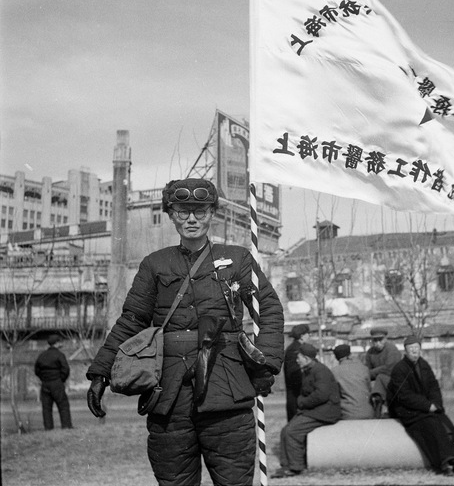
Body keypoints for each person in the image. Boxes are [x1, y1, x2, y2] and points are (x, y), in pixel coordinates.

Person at [86, 178, 284, 486]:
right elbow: (132, 321)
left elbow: (268, 309)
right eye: (182, 211)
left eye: (200, 211)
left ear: (212, 213)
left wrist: (266, 362)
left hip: (227, 392)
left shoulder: (238, 259)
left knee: (235, 481)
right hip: (169, 397)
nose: (192, 219)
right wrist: (101, 372)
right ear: (171, 215)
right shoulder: (154, 264)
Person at [387, 335, 454, 475]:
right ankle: (443, 464)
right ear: (405, 351)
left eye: (417, 348)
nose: (414, 351)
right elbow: (404, 396)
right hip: (408, 411)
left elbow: (433, 386)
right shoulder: (399, 369)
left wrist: (436, 404)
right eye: (411, 349)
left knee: (445, 423)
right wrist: (427, 406)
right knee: (431, 425)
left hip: (425, 408)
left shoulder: (424, 365)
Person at [273, 343, 341, 479]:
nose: (297, 360)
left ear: (307, 358)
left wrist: (302, 402)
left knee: (292, 431)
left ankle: (295, 467)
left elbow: (322, 395)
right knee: (285, 430)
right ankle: (286, 465)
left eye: (299, 358)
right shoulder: (310, 370)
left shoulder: (320, 371)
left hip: (325, 411)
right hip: (317, 410)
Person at [34, 334, 73, 430]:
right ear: (57, 343)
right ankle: (66, 426)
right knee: (63, 405)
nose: (61, 343)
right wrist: (61, 379)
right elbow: (66, 369)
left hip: (45, 384)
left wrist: (44, 378)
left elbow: (37, 370)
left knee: (46, 408)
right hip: (57, 383)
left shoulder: (42, 355)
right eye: (60, 342)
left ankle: (48, 428)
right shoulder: (60, 355)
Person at [364, 327, 402, 418]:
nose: (377, 343)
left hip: (393, 382)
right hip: (378, 383)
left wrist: (372, 373)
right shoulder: (370, 352)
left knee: (380, 377)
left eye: (380, 340)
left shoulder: (392, 350)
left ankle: (380, 407)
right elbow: (366, 370)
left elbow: (389, 369)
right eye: (375, 340)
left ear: (385, 339)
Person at [331, 344, 374, 420]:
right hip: (368, 413)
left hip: (347, 415)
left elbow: (334, 396)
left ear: (337, 358)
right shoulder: (364, 368)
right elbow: (369, 389)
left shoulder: (334, 371)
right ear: (350, 355)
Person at [283, 323, 311, 421]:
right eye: (308, 334)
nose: (309, 336)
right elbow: (294, 374)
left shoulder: (296, 348)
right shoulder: (294, 350)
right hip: (296, 395)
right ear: (302, 336)